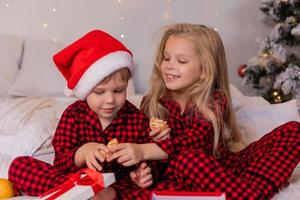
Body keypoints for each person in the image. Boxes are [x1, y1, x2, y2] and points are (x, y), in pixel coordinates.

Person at [108, 23, 300, 199]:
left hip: (224, 169)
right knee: (185, 160)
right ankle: (244, 194)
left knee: (293, 130)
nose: (169, 65)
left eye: (182, 61)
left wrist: (145, 150)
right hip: (178, 175)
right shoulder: (152, 103)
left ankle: (249, 190)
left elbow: (197, 139)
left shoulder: (215, 100)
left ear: (205, 71)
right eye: (166, 58)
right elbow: (149, 155)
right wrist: (145, 171)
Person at [8, 30, 157, 200]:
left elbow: (153, 157)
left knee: (153, 190)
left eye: (118, 91)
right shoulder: (74, 115)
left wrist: (144, 173)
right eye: (99, 92)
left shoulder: (136, 118)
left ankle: (103, 195)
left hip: (120, 185)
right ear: (85, 91)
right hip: (76, 182)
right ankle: (82, 194)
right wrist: (83, 152)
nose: (110, 100)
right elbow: (61, 161)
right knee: (19, 165)